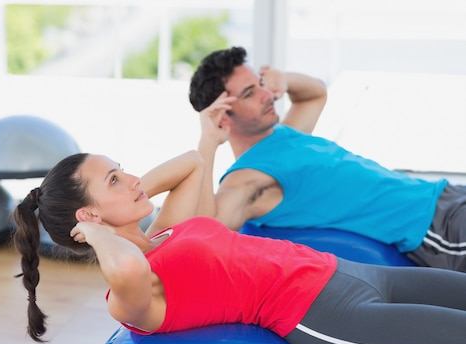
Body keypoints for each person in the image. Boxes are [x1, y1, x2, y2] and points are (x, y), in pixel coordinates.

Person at [13, 94, 466, 344]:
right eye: (115, 178)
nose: (132, 178)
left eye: (121, 167)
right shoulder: (128, 292)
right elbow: (126, 265)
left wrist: (128, 194)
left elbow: (192, 163)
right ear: (87, 215)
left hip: (348, 272)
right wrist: (95, 231)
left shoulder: (164, 231)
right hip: (328, 315)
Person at [188, 46, 466, 272]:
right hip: (431, 228)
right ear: (223, 115)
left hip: (444, 196)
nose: (267, 95)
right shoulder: (248, 179)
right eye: (250, 93)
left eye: (260, 84)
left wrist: (283, 79)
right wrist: (208, 141)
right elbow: (209, 231)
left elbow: (315, 93)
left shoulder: (282, 134)